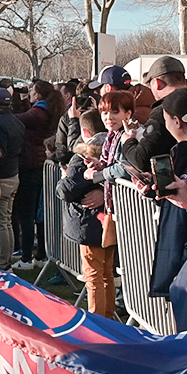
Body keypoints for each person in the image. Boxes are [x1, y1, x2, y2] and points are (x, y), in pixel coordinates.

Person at [56, 111, 114, 318]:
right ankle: (107, 316)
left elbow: (68, 190)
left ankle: (98, 319)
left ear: (85, 131)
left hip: (88, 221)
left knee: (93, 274)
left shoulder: (84, 155)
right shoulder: (112, 148)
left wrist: (62, 180)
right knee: (106, 273)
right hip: (105, 221)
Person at [13, 80, 61, 264]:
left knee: (27, 214)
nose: (30, 92)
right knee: (41, 213)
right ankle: (41, 253)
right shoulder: (49, 110)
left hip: (31, 165)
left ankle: (26, 257)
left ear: (38, 94)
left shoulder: (37, 113)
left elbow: (18, 118)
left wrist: (17, 99)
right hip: (42, 165)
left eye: (32, 90)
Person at [0, 88, 26, 269]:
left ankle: (2, 263)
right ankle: (5, 259)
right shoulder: (17, 121)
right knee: (6, 221)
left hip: (2, 177)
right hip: (13, 173)